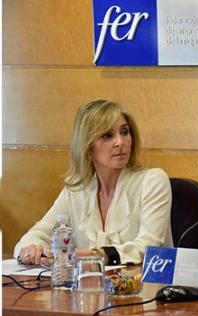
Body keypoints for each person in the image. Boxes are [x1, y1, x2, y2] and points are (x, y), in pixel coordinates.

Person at [14, 100, 173, 266]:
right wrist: (30, 250)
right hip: (89, 289)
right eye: (107, 135)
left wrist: (96, 255)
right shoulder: (76, 188)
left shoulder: (152, 181)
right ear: (86, 145)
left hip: (146, 288)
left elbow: (149, 246)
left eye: (125, 132)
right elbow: (39, 233)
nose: (120, 142)